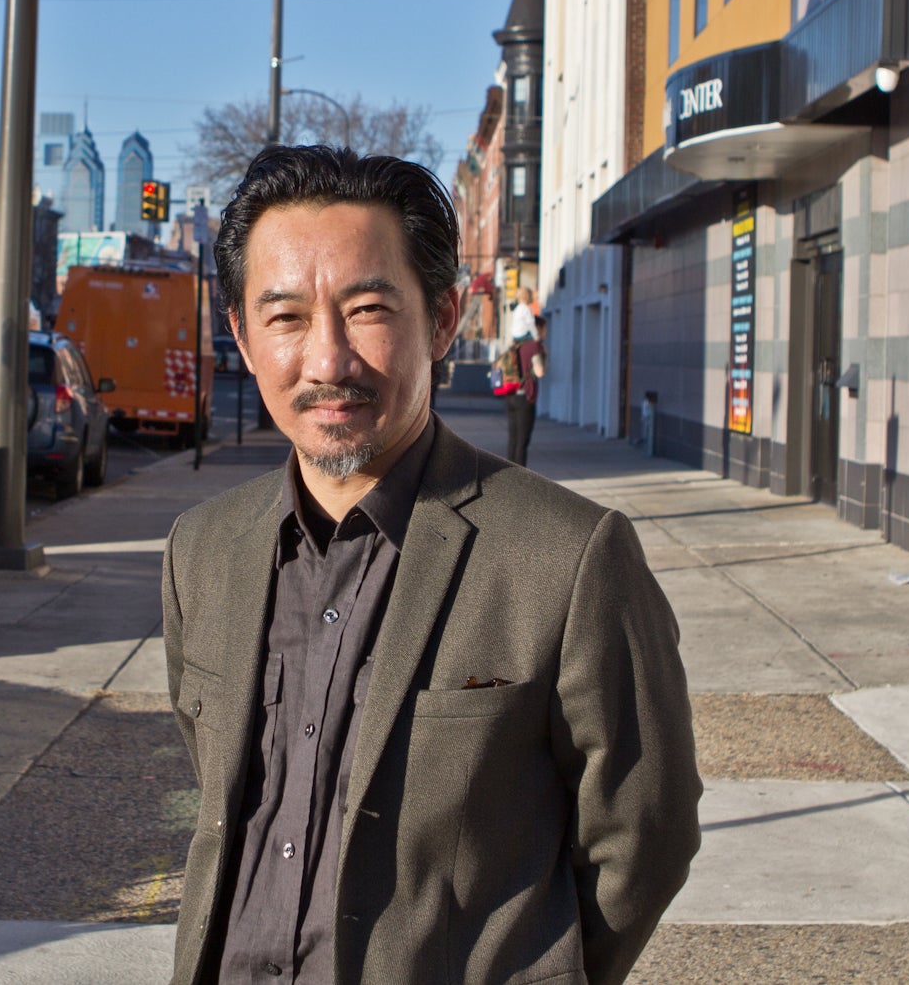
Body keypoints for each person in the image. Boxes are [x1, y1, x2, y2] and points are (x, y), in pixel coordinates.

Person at [163, 146, 701, 985]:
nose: (328, 359)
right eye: (286, 317)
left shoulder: (567, 557)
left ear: (443, 318)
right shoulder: (202, 551)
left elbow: (647, 828)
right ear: (239, 332)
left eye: (368, 308)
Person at [504, 315, 547, 466]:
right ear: (537, 328)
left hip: (511, 395)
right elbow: (540, 371)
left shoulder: (515, 344)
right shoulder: (534, 347)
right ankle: (519, 477)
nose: (545, 332)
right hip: (525, 398)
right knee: (523, 441)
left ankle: (509, 474)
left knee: (513, 439)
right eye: (544, 328)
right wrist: (544, 356)